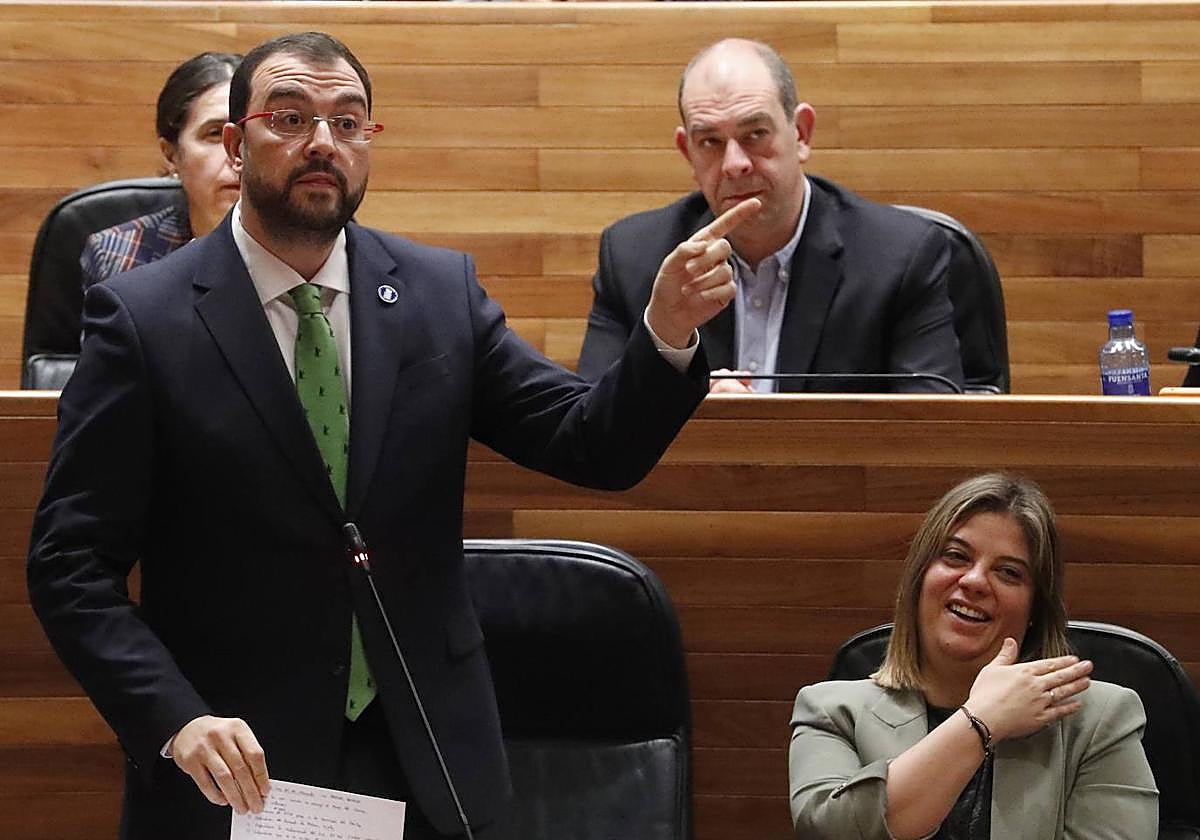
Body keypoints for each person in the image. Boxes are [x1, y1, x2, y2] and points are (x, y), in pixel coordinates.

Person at [27, 31, 760, 840]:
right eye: (290, 118)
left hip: (427, 758)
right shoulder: (144, 320)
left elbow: (591, 444)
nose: (323, 143)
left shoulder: (437, 295)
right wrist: (174, 718)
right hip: (236, 767)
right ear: (235, 145)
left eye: (348, 122)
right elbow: (71, 565)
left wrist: (664, 332)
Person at [576, 38, 965, 394]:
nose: (734, 164)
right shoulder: (634, 258)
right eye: (710, 142)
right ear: (687, 152)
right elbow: (591, 429)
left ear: (801, 133)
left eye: (755, 134)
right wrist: (685, 391)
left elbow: (930, 428)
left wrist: (761, 429)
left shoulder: (900, 256)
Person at [788, 473, 1158, 839]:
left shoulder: (1100, 721)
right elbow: (829, 831)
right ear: (919, 578)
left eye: (1008, 573)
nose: (975, 581)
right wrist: (981, 720)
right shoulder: (830, 712)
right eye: (956, 556)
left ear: (1034, 609)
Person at [80, 51, 242, 288]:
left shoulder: (298, 248)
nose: (238, 154)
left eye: (249, 132)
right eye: (215, 134)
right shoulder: (119, 255)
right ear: (171, 153)